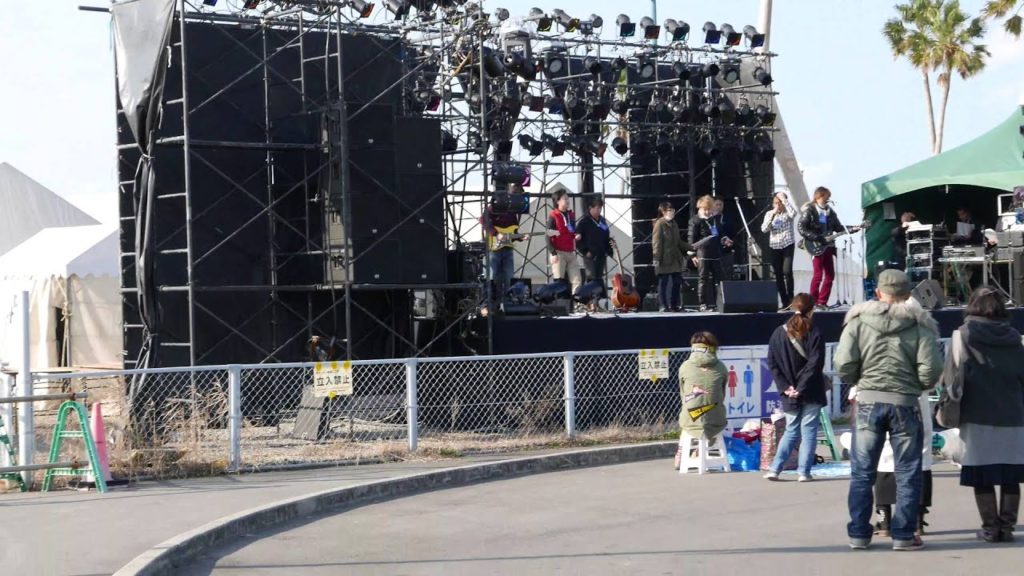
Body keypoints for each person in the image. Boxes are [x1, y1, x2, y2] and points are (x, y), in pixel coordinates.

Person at [834, 269, 943, 551]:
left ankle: (859, 534)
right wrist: (916, 385)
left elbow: (843, 363)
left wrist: (860, 380)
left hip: (868, 401)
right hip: (905, 402)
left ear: (878, 292)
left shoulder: (858, 323)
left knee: (862, 472)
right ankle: (904, 535)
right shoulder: (919, 324)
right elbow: (931, 369)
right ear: (908, 294)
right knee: (907, 472)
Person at [946, 288, 1024, 543]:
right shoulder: (1014, 338)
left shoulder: (961, 335)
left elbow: (950, 376)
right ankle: (1007, 527)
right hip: (1013, 413)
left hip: (976, 412)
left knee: (982, 471)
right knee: (1011, 473)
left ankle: (990, 528)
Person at [763, 293, 827, 482]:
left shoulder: (778, 333)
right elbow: (815, 364)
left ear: (792, 307)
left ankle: (775, 469)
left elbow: (772, 362)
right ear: (812, 309)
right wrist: (802, 386)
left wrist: (786, 387)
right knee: (809, 432)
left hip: (789, 393)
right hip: (812, 389)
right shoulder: (814, 332)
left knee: (791, 431)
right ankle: (804, 472)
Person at [674, 331, 728, 470]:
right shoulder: (721, 367)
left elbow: (683, 394)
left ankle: (681, 451)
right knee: (715, 411)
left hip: (691, 418)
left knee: (688, 414)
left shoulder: (685, 366)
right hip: (716, 418)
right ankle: (703, 448)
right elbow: (722, 394)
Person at [798, 186, 845, 310]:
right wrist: (816, 237)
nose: (828, 199)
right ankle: (812, 303)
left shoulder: (830, 212)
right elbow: (801, 228)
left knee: (830, 275)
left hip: (828, 246)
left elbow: (839, 228)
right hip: (816, 246)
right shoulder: (810, 210)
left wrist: (854, 228)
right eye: (827, 196)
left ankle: (822, 302)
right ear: (820, 196)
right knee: (818, 275)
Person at [689, 195, 732, 311]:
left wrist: (725, 240)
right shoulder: (695, 220)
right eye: (705, 209)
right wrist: (692, 255)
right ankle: (702, 303)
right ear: (700, 208)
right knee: (703, 277)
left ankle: (720, 302)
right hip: (703, 252)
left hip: (716, 252)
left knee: (720, 277)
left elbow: (720, 235)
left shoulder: (715, 219)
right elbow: (691, 239)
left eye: (709, 209)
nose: (708, 212)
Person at [482, 198, 522, 306]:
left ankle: (506, 302)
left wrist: (520, 237)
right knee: (494, 276)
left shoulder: (511, 212)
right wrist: (496, 233)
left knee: (509, 276)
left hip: (508, 248)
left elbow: (514, 232)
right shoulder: (491, 209)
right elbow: (483, 220)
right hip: (494, 249)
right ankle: (491, 303)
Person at [761, 192, 798, 309]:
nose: (778, 205)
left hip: (787, 244)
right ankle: (784, 301)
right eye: (776, 203)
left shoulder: (788, 212)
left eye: (780, 203)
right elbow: (764, 229)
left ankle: (791, 299)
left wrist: (785, 200)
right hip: (775, 246)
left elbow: (793, 214)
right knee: (778, 274)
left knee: (787, 271)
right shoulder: (769, 214)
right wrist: (773, 214)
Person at [576, 196, 615, 296]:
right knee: (591, 277)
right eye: (597, 208)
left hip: (601, 254)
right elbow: (578, 240)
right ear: (590, 208)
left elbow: (606, 236)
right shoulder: (584, 222)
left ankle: (598, 299)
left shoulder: (602, 221)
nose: (599, 211)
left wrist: (609, 249)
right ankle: (589, 299)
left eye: (600, 208)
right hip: (590, 255)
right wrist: (585, 251)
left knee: (599, 277)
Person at [652, 201, 687, 312]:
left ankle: (674, 304)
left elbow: (678, 241)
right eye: (669, 210)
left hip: (675, 258)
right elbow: (656, 243)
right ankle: (662, 305)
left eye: (673, 210)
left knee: (677, 281)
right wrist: (656, 258)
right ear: (663, 212)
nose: (672, 212)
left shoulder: (674, 224)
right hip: (664, 258)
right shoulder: (659, 224)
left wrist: (691, 247)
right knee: (663, 282)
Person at [547, 188, 582, 295]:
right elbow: (547, 236)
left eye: (568, 198)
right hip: (558, 253)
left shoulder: (570, 215)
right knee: (559, 282)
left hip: (570, 252)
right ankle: (557, 303)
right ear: (558, 201)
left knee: (577, 280)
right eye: (565, 199)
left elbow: (572, 230)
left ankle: (577, 301)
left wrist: (576, 234)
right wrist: (553, 253)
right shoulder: (553, 215)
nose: (567, 201)